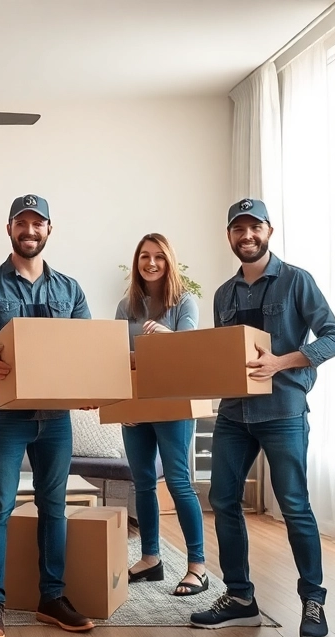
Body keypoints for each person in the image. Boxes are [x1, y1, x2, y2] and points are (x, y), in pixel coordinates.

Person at [189, 198, 335, 637]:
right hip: (233, 413)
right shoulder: (223, 294)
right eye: (238, 229)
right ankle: (240, 598)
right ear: (229, 236)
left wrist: (281, 362)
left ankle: (313, 601)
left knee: (294, 505)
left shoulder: (297, 281)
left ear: (269, 231)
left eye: (254, 227)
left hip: (283, 411)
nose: (247, 236)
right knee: (222, 500)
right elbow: (226, 355)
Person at [0, 194, 95, 637]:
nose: (30, 231)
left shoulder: (69, 290)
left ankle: (52, 598)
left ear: (49, 229)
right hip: (4, 415)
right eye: (21, 223)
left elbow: (88, 350)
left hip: (56, 419)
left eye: (37, 223)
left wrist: (90, 390)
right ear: (9, 229)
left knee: (54, 507)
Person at [114, 233, 208, 596]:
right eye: (144, 257)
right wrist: (123, 405)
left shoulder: (184, 301)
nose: (151, 263)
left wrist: (167, 336)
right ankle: (150, 559)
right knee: (142, 483)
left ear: (169, 262)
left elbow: (191, 351)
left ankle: (197, 567)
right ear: (137, 263)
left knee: (179, 482)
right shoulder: (126, 306)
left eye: (158, 257)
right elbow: (116, 358)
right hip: (137, 404)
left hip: (173, 403)